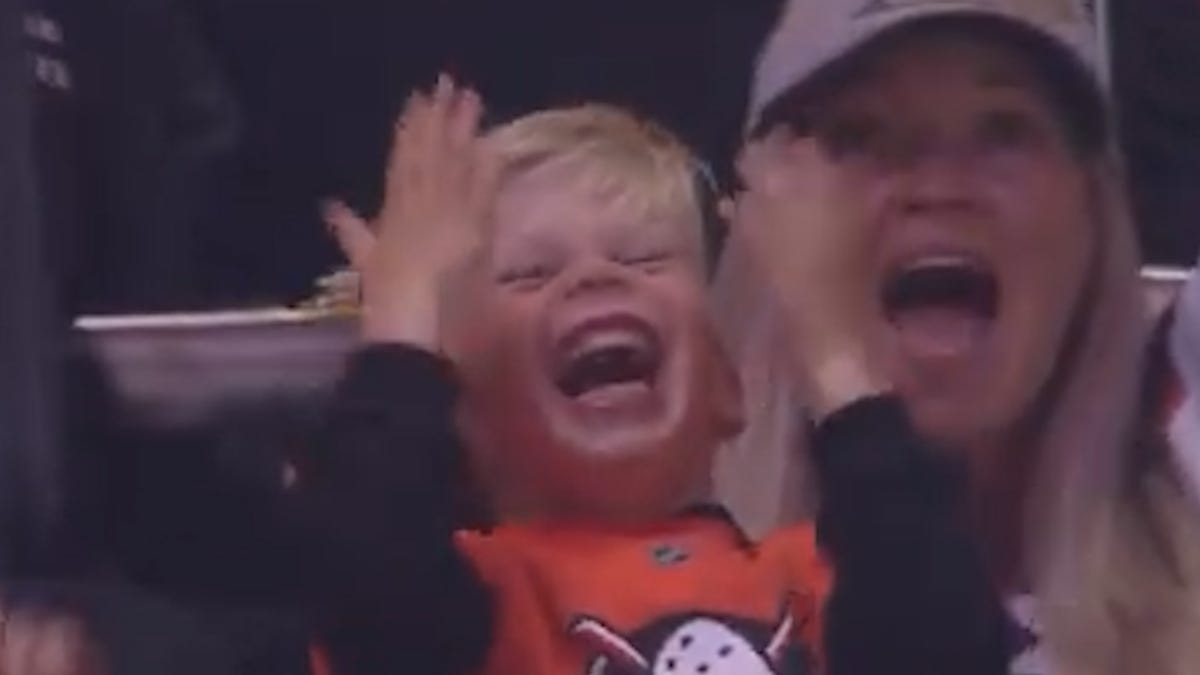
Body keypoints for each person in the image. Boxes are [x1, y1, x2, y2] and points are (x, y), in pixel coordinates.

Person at [309, 75, 1008, 674]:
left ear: (727, 386)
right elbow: (371, 587)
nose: (593, 277)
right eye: (530, 273)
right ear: (457, 418)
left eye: (644, 259)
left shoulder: (823, 579)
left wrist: (832, 349)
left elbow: (947, 647)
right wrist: (403, 324)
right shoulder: (480, 598)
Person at [711, 1, 1200, 673]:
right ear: (766, 220)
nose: (940, 187)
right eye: (860, 134)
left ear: (1094, 212)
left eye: (1004, 129)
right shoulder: (636, 594)